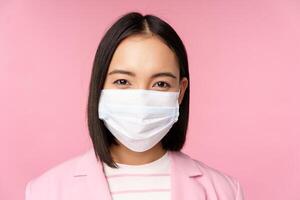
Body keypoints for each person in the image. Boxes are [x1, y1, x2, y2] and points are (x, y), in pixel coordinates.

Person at [25, 12, 244, 200]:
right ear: (99, 86)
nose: (141, 98)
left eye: (160, 84)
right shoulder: (45, 191)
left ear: (180, 92)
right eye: (122, 81)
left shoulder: (224, 191)